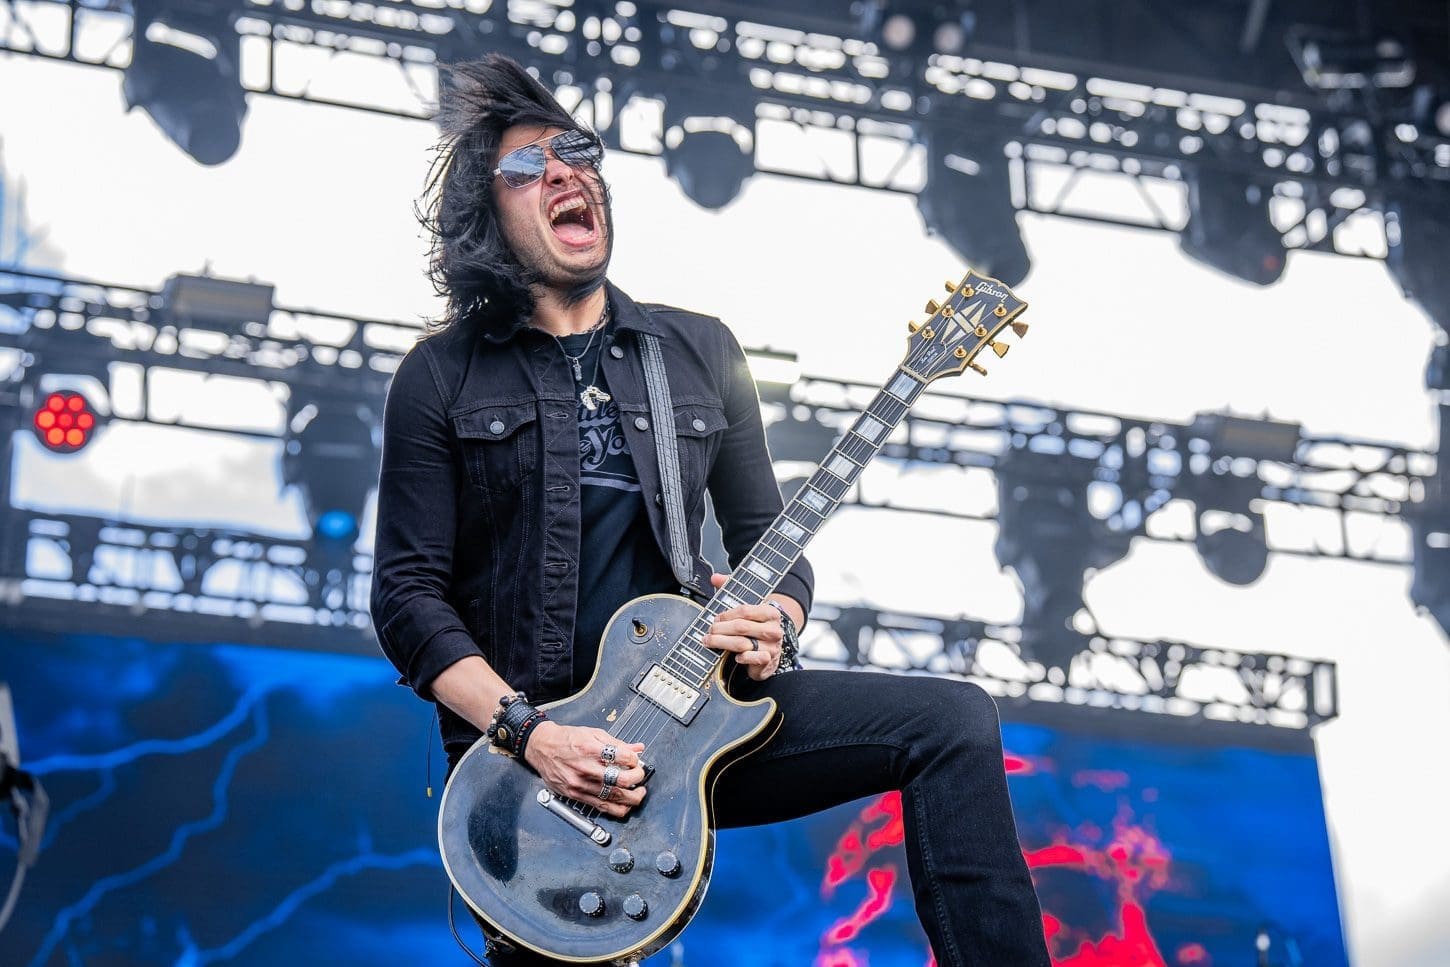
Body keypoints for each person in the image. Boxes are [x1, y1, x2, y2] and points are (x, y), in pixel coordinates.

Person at [369, 54, 1051, 966]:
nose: (569, 172)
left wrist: (781, 615)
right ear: (487, 219)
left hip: (695, 709)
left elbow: (774, 539)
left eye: (579, 152)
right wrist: (530, 733)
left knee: (953, 721)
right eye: (531, 167)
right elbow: (408, 601)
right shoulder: (441, 374)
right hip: (531, 768)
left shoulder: (698, 351)